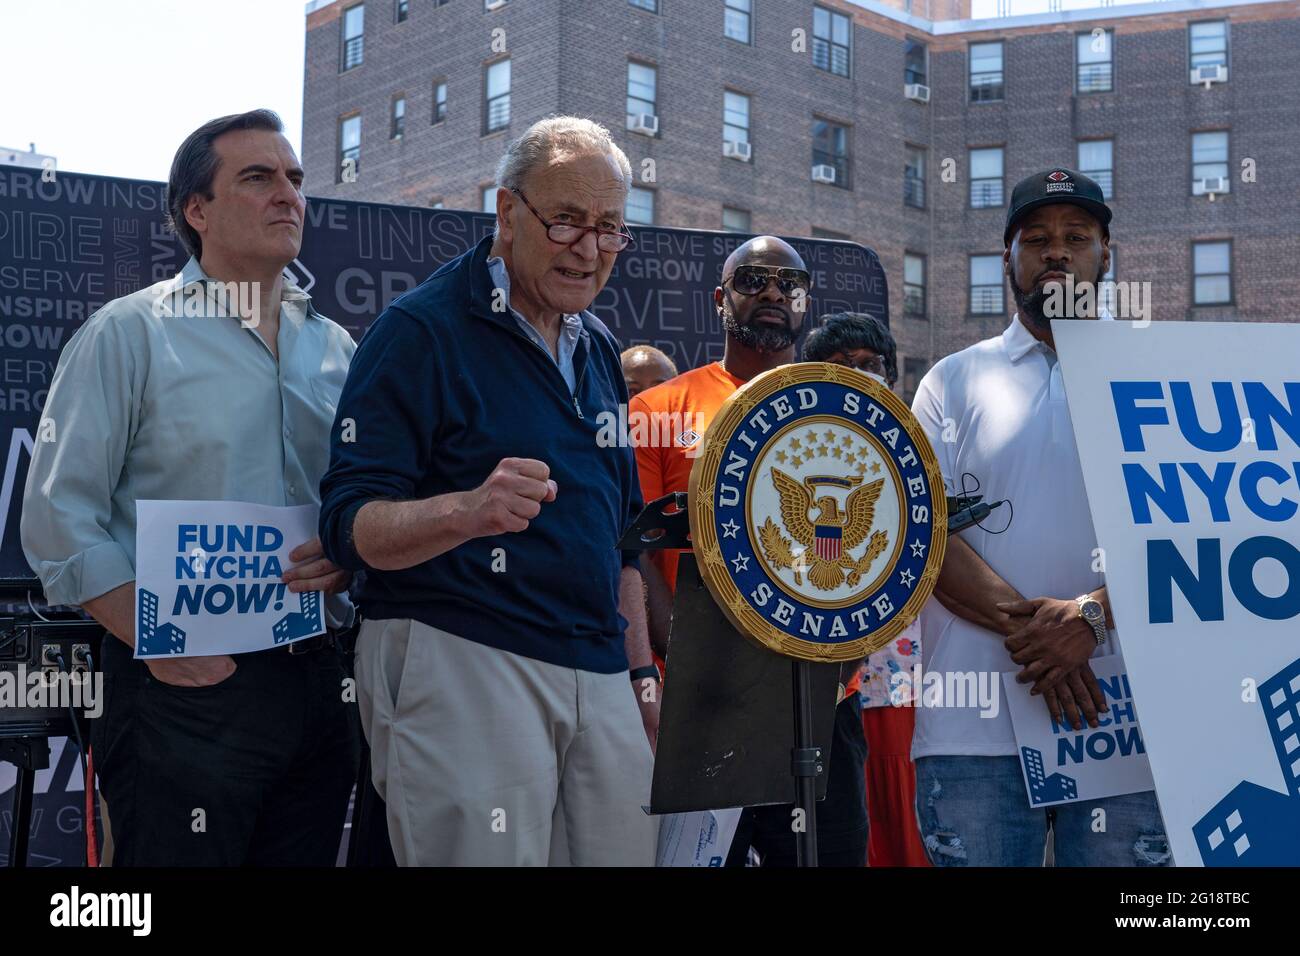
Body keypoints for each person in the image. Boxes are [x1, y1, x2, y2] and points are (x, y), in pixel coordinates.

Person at [20, 109, 360, 866]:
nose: (288, 196)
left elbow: (354, 500)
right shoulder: (129, 333)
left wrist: (349, 553)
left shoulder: (336, 348)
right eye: (258, 178)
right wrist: (158, 640)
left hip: (317, 678)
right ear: (195, 211)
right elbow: (56, 514)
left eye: (295, 180)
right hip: (178, 689)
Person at [318, 116, 658, 867]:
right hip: (464, 653)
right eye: (567, 221)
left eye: (609, 228)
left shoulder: (598, 346)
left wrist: (640, 675)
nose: (591, 248)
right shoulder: (420, 330)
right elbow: (348, 524)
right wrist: (466, 511)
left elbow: (622, 541)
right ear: (507, 213)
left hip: (600, 670)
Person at [910, 168, 1170, 866]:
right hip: (975, 736)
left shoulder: (1158, 373)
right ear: (1009, 259)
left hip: (1130, 732)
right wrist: (1051, 642)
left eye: (1076, 237)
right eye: (1037, 238)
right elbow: (923, 537)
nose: (1057, 252)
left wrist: (1093, 617)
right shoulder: (951, 380)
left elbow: (1199, 539)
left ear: (1106, 254)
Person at [631, 236, 870, 867]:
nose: (771, 294)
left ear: (805, 304)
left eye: (788, 285)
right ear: (720, 299)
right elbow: (633, 553)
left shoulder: (848, 410)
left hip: (826, 701)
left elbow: (886, 549)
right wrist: (688, 660)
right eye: (753, 280)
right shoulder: (655, 412)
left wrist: (851, 650)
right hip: (703, 706)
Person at [803, 312, 931, 867]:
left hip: (914, 665)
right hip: (829, 674)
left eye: (871, 365)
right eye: (841, 367)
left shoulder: (923, 442)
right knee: (854, 820)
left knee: (913, 808)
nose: (859, 375)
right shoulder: (794, 449)